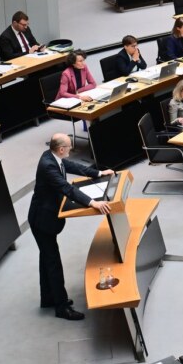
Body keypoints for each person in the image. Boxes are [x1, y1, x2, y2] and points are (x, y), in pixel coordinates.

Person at [28, 133, 113, 320]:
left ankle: (48, 298)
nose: (70, 150)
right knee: (53, 263)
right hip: (42, 220)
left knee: (46, 259)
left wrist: (98, 173)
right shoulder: (48, 166)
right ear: (60, 149)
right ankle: (61, 307)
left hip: (43, 216)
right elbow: (67, 188)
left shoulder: (51, 156)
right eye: (69, 147)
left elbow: (72, 166)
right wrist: (93, 203)